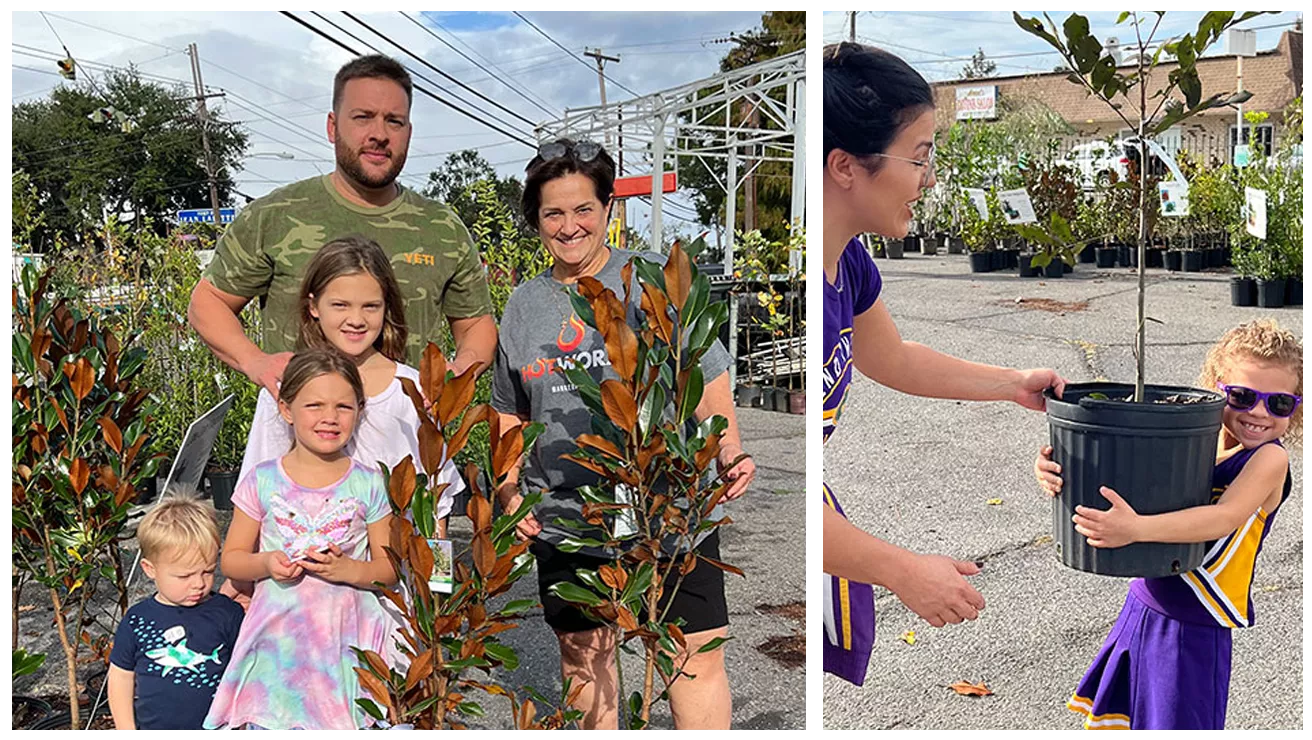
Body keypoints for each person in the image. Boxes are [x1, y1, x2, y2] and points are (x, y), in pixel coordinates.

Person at [817, 41, 1068, 686]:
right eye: (921, 156)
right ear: (846, 166)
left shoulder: (847, 262)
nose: (930, 178)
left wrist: (1013, 384)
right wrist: (902, 569)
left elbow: (892, 358)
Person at [490, 138, 756, 730]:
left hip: (667, 502)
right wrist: (509, 489)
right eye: (552, 213)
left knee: (692, 654)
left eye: (583, 208)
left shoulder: (653, 281)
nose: (569, 226)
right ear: (537, 220)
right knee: (585, 660)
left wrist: (728, 445)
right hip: (567, 513)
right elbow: (509, 409)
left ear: (608, 209)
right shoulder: (525, 304)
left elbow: (706, 376)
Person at [1035, 319, 1302, 731]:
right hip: (1145, 600)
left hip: (1198, 619)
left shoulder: (1270, 459)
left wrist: (1136, 529)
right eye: (1243, 396)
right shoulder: (1200, 436)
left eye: (1280, 403)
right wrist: (1056, 469)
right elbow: (1128, 477)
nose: (1259, 414)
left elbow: (1224, 517)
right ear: (1217, 389)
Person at [187, 53, 496, 401]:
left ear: (409, 132)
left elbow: (475, 324)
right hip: (302, 444)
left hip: (405, 442)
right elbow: (208, 301)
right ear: (333, 127)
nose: (379, 134)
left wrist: (460, 369)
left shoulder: (442, 228)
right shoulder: (274, 216)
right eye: (363, 117)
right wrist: (255, 361)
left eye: (394, 121)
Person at [224, 235, 464, 606]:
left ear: (387, 309)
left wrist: (439, 588)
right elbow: (258, 499)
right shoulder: (282, 390)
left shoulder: (413, 392)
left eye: (371, 306)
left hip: (393, 594)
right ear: (314, 306)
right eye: (340, 304)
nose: (356, 319)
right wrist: (242, 587)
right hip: (297, 602)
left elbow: (437, 503)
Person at [203, 349, 400, 730]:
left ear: (360, 409)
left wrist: (347, 569)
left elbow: (388, 568)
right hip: (279, 645)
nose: (330, 417)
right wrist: (266, 562)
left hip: (344, 644)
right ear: (286, 409)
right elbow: (232, 560)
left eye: (344, 406)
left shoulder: (369, 482)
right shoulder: (262, 480)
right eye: (314, 405)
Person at [107, 488, 244, 731]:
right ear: (150, 569)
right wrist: (126, 729)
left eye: (208, 571)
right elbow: (120, 677)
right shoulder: (137, 620)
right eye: (184, 575)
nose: (199, 583)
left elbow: (246, 671)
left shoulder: (228, 613)